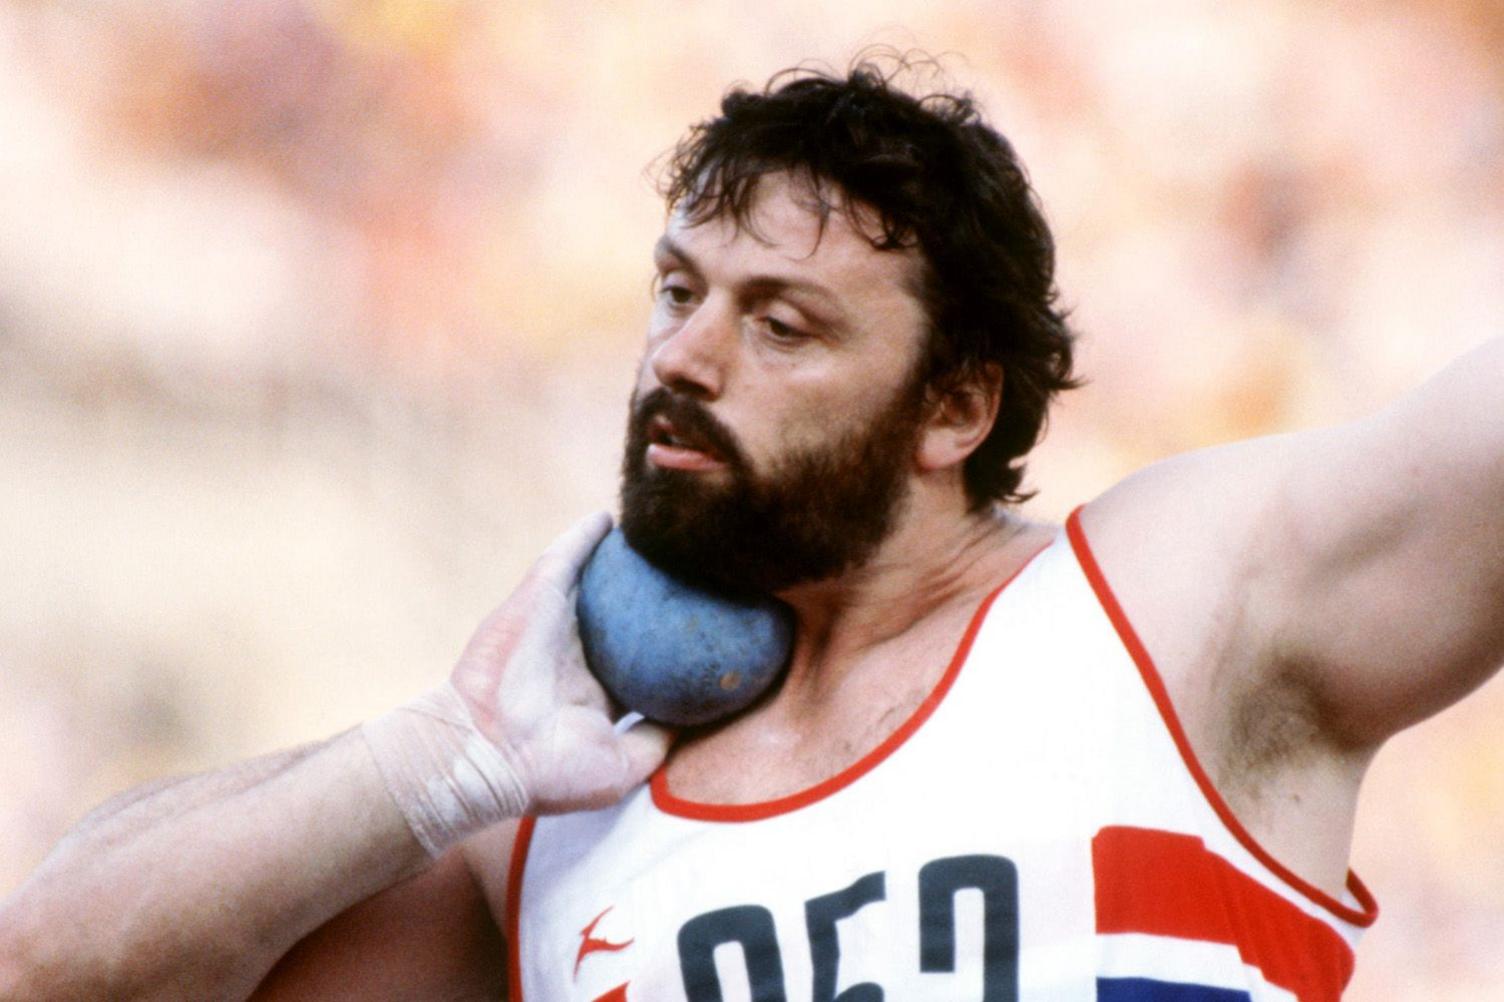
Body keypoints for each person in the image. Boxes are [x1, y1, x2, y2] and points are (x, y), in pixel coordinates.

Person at [2, 58, 1501, 1002]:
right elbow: (54, 964)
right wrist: (431, 758)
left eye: (778, 322)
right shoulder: (552, 807)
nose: (681, 358)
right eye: (676, 293)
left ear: (955, 406)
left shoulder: (1178, 611)